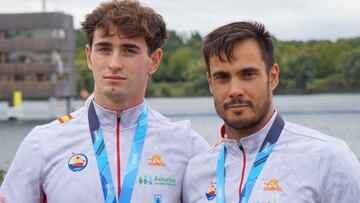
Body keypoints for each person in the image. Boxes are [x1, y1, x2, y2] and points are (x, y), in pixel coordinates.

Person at [0, 1, 209, 202]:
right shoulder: (43, 143)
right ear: (89, 56)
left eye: (129, 50)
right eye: (104, 49)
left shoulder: (187, 145)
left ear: (154, 61)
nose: (115, 63)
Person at [182, 21, 360, 203]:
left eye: (248, 74)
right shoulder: (196, 172)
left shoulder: (328, 158)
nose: (235, 89)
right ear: (211, 83)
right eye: (222, 77)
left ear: (272, 77)